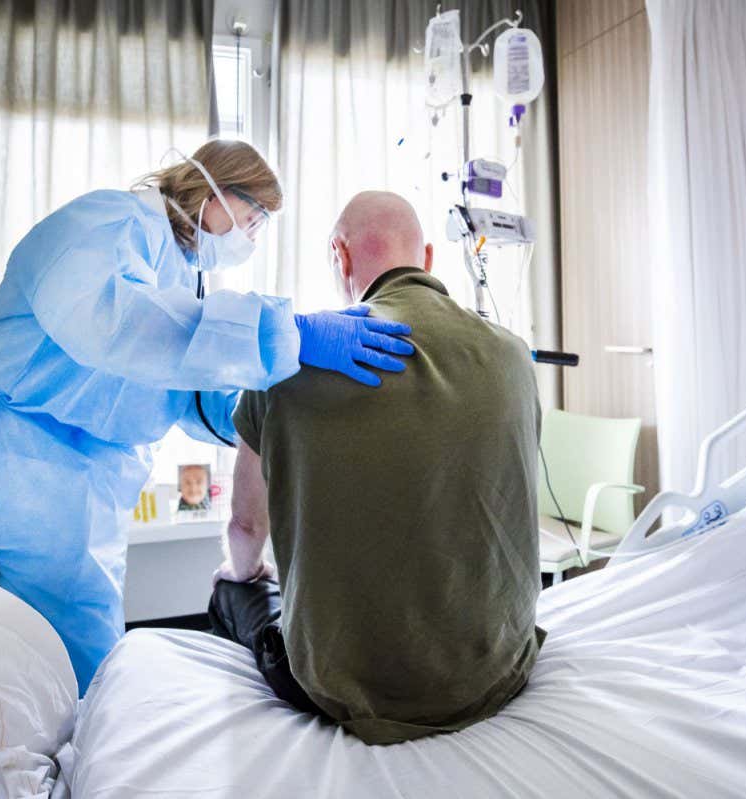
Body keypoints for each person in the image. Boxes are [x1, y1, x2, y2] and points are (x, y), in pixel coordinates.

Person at [0, 141, 415, 695]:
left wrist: (270, 404)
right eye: (253, 218)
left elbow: (183, 388)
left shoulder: (184, 273)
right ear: (215, 190)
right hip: (15, 463)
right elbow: (118, 325)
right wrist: (289, 332)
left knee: (66, 660)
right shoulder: (107, 223)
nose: (252, 235)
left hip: (86, 484)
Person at [208, 191, 545, 744]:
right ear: (428, 258)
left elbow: (246, 529)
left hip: (341, 687)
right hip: (495, 672)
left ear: (339, 255)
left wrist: (240, 574)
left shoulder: (287, 361)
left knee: (234, 585)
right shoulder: (513, 356)